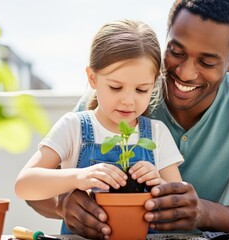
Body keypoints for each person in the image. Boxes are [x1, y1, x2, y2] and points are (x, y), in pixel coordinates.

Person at [26, 0, 229, 239]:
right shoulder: (110, 95)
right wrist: (62, 205)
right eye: (176, 52)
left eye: (206, 61)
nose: (185, 72)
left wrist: (203, 212)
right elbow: (32, 187)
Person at [15, 19, 183, 234]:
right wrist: (79, 177)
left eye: (141, 90)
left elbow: (177, 203)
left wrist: (157, 183)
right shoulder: (73, 126)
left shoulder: (157, 134)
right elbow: (24, 185)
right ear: (92, 78)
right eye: (115, 87)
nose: (128, 100)